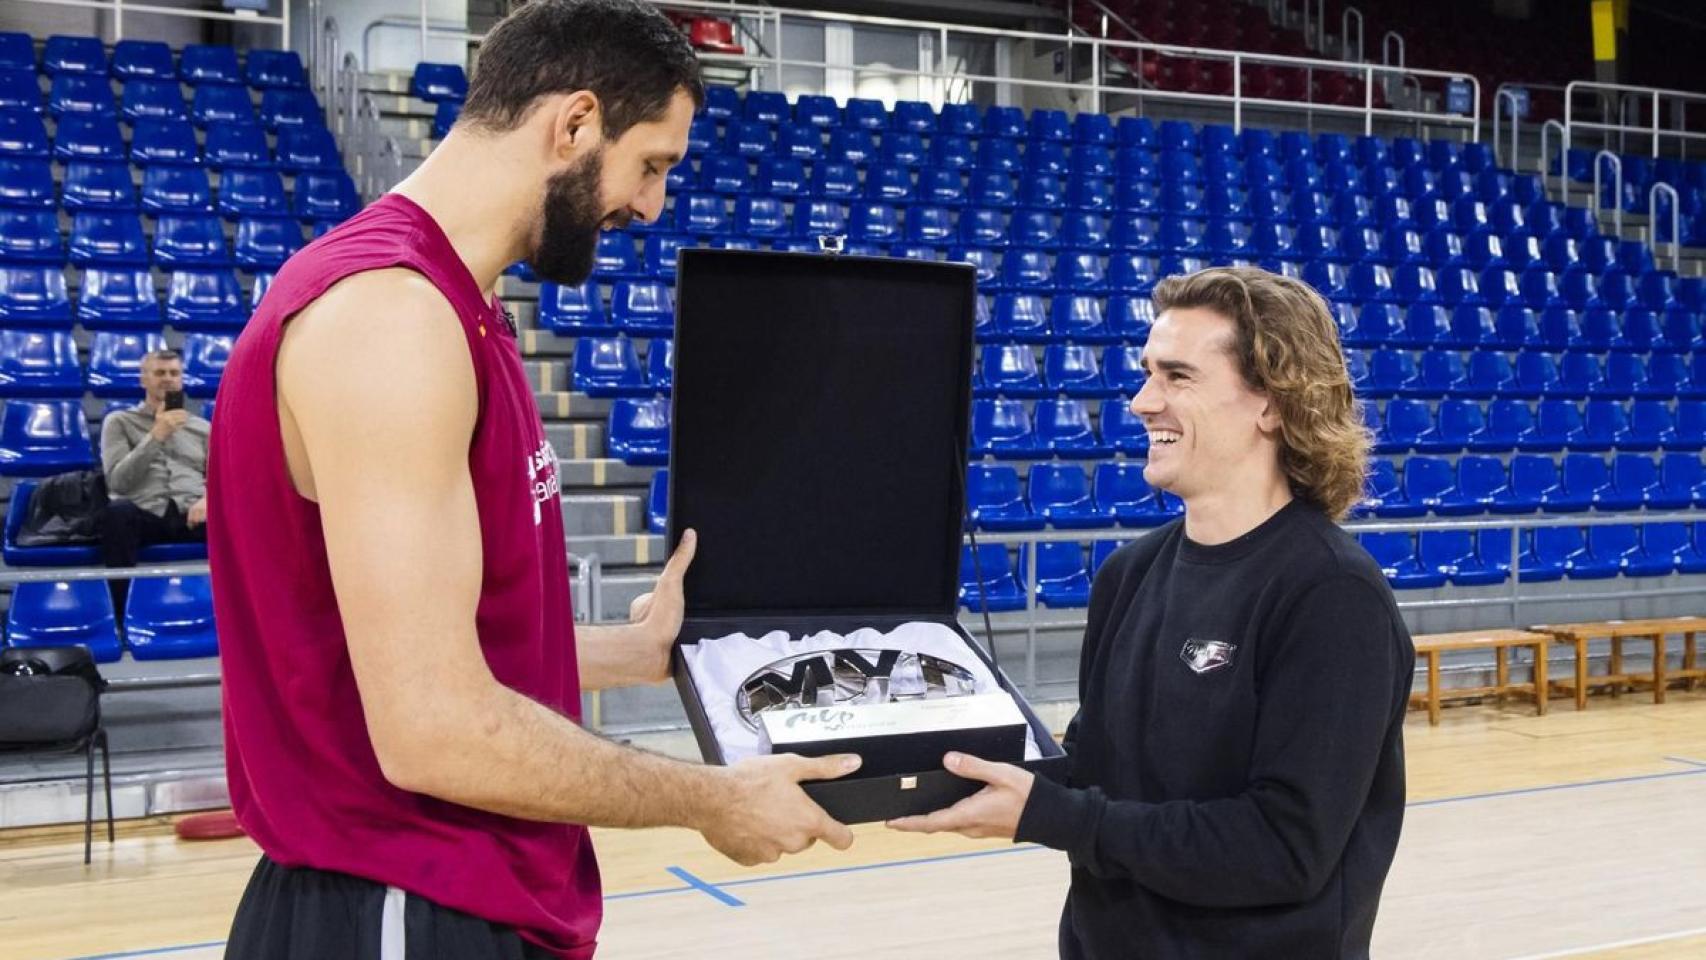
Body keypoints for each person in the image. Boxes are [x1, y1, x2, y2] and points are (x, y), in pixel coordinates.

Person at [207, 3, 858, 958]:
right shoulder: (390, 321)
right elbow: (433, 729)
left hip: (453, 898)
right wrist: (709, 799)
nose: (650, 206)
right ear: (576, 123)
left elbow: (418, 642)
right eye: (654, 164)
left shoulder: (457, 310)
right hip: (399, 900)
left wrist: (632, 653)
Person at [890, 266, 1415, 960]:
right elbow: (1093, 771)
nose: (1141, 402)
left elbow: (1284, 847)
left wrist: (1055, 815)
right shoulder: (1127, 576)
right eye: (1146, 374)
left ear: (1273, 403)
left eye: (1177, 377)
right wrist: (917, 760)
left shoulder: (1330, 595)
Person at [99, 348, 210, 614]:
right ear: (143, 380)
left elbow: (222, 478)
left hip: (193, 512)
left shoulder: (202, 428)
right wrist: (157, 435)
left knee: (242, 511)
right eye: (159, 373)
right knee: (117, 514)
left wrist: (210, 499)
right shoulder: (119, 422)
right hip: (145, 513)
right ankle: (120, 614)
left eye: (174, 373)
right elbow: (117, 482)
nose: (168, 379)